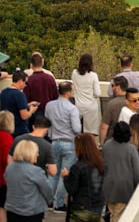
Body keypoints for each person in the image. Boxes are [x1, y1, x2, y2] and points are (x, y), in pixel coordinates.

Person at [45, 80, 81, 211]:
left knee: (52, 173)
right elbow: (77, 128)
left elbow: (47, 123)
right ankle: (59, 203)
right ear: (68, 93)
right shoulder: (72, 108)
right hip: (68, 142)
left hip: (54, 141)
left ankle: (48, 200)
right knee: (64, 173)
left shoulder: (49, 105)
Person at [4, 139, 53, 222]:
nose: (37, 155)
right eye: (36, 152)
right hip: (31, 211)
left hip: (12, 209)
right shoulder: (36, 171)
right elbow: (47, 190)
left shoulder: (9, 168)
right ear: (29, 153)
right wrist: (48, 201)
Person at [102, 121, 139, 222]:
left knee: (112, 213)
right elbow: (137, 171)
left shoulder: (106, 145)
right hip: (125, 188)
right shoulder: (131, 149)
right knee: (119, 215)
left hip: (108, 187)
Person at [62, 133, 105, 222]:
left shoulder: (77, 167)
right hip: (97, 205)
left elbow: (72, 189)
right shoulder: (100, 165)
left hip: (81, 207)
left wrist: (66, 177)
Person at [0, 70, 40, 137]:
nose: (26, 85)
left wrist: (27, 105)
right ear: (20, 81)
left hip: (7, 128)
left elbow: (12, 106)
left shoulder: (3, 92)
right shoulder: (19, 95)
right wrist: (31, 111)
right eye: (25, 82)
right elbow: (24, 116)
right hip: (19, 130)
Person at [71, 53, 102, 136]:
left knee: (78, 132)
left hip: (78, 106)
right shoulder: (93, 76)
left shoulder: (74, 73)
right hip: (91, 108)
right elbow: (97, 93)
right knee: (90, 133)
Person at [99, 76, 129, 145]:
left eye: (113, 85)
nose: (112, 88)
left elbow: (104, 127)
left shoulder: (111, 104)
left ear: (117, 88)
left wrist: (101, 144)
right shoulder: (136, 103)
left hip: (112, 142)